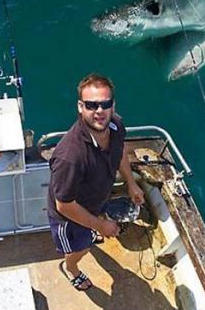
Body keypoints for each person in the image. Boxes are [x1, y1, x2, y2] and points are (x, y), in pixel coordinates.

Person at [47, 73, 145, 291]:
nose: (99, 111)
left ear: (113, 105)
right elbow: (64, 205)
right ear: (80, 107)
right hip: (69, 218)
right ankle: (70, 268)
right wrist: (101, 225)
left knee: (89, 237)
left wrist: (131, 183)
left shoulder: (116, 126)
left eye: (105, 104)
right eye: (91, 105)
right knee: (79, 248)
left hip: (96, 202)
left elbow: (119, 152)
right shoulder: (70, 156)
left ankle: (90, 234)